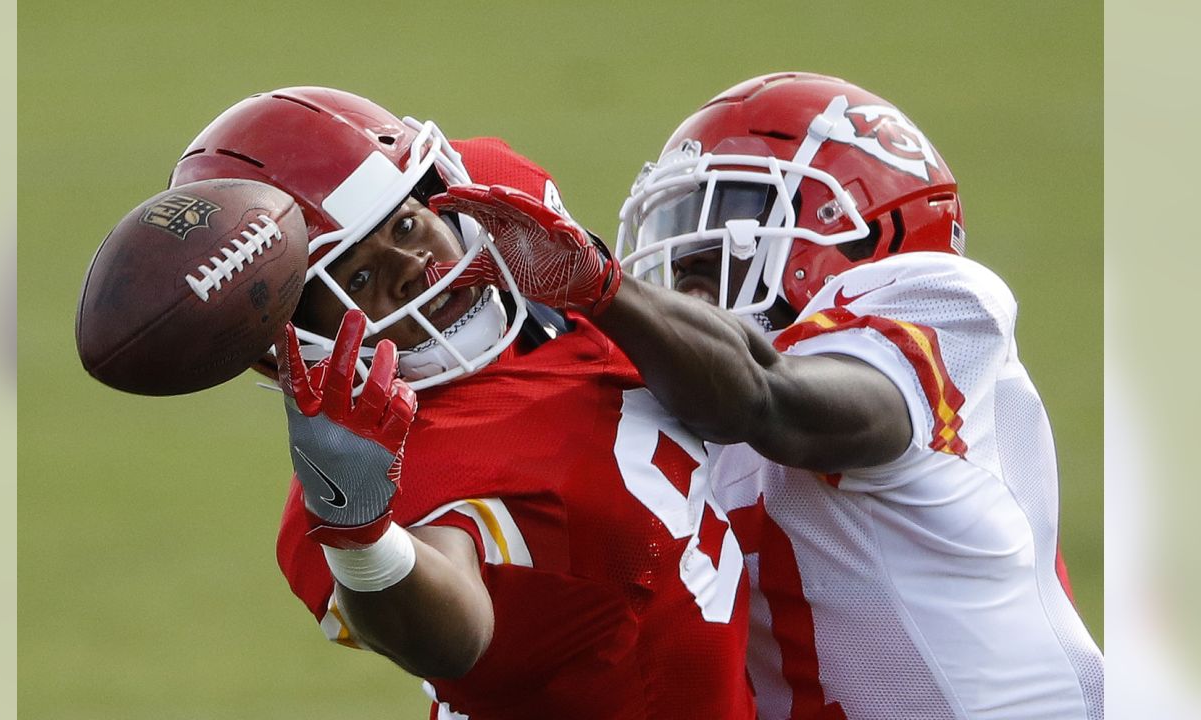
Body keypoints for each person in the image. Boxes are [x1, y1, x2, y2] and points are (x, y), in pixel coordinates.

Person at [432, 71, 1104, 719]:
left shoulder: (943, 306)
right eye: (682, 252)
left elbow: (768, 400)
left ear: (854, 225)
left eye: (721, 240)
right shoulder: (683, 394)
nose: (688, 283)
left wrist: (605, 293)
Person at [168, 86, 755, 720]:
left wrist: (604, 289)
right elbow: (452, 635)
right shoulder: (383, 475)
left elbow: (749, 394)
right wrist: (361, 535)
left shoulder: (502, 204)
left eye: (405, 224)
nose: (412, 264)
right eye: (357, 277)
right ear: (294, 348)